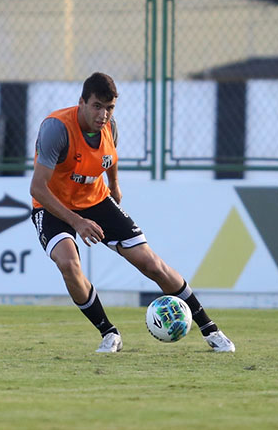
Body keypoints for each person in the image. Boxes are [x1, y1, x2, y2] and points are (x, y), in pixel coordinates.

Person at [29, 72, 235, 353]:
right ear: (82, 102)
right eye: (97, 106)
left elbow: (109, 156)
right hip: (52, 205)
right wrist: (77, 222)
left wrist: (114, 184)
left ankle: (211, 330)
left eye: (109, 107)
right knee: (68, 264)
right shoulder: (56, 129)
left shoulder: (110, 127)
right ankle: (109, 333)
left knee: (152, 264)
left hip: (96, 201)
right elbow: (38, 188)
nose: (103, 114)